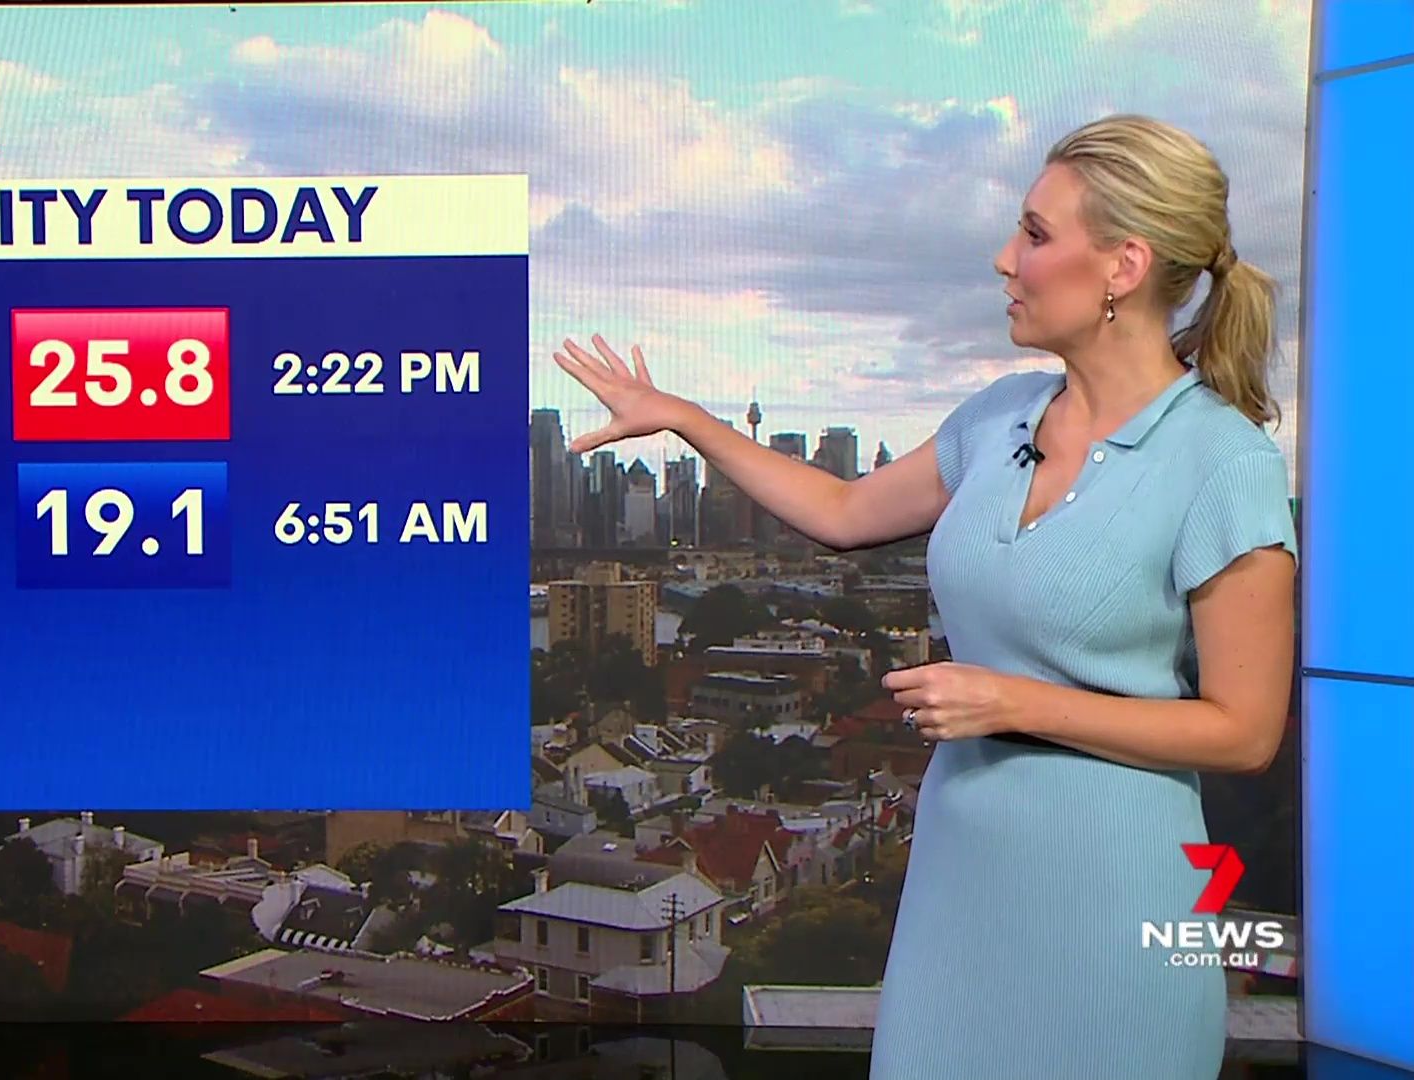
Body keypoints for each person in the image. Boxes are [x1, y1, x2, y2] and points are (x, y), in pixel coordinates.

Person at [551, 113, 1297, 1078]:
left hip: (1117, 899)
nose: (1004, 258)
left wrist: (1015, 702)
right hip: (958, 888)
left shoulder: (1224, 462)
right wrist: (684, 419)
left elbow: (1245, 731)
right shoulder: (996, 418)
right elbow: (842, 509)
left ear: (1124, 265)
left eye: (1034, 233)